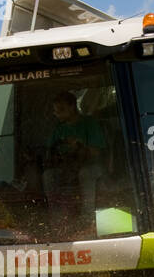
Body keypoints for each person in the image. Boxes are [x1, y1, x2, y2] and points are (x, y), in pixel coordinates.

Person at [44, 91, 109, 229]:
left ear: (73, 107)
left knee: (85, 173)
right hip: (67, 167)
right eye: (55, 111)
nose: (57, 114)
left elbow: (97, 152)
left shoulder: (89, 124)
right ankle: (56, 218)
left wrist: (79, 145)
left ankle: (87, 218)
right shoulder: (59, 129)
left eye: (61, 110)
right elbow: (49, 151)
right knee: (48, 175)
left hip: (92, 166)